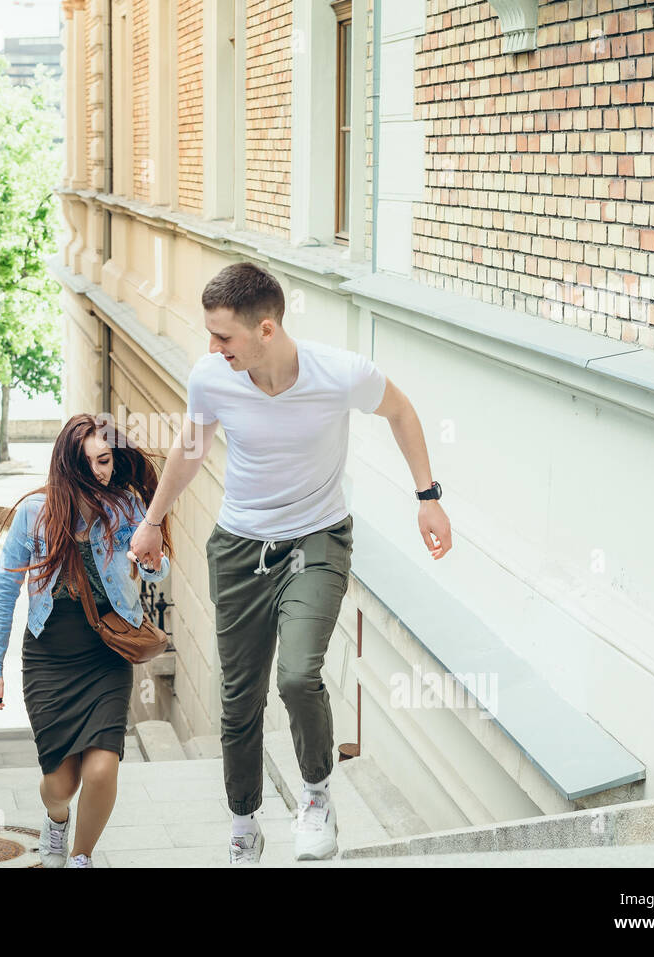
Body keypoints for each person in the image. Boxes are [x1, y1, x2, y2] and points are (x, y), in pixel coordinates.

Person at [128, 261, 452, 864]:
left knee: (299, 676)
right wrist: (151, 522)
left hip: (317, 540)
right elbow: (191, 450)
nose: (213, 346)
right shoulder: (211, 378)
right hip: (239, 547)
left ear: (266, 330)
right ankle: (244, 823)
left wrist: (428, 498)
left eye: (224, 336)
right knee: (240, 696)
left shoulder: (340, 374)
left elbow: (402, 412)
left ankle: (316, 796)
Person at [0, 413, 171, 868]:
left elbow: (156, 569)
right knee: (61, 786)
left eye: (104, 460)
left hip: (106, 653)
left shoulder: (125, 507)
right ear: (67, 466)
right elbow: (4, 589)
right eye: (88, 464)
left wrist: (150, 559)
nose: (99, 472)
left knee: (103, 767)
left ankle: (82, 857)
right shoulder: (34, 515)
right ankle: (57, 818)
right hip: (49, 657)